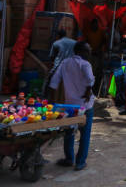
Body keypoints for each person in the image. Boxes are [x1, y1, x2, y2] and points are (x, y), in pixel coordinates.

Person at [50, 41, 95, 171]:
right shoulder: (85, 64)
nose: (90, 53)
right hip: (85, 106)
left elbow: (54, 82)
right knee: (85, 134)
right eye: (88, 50)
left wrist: (53, 103)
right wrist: (87, 91)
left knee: (69, 132)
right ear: (80, 52)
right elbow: (90, 80)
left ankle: (69, 159)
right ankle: (80, 162)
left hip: (70, 105)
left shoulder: (65, 63)